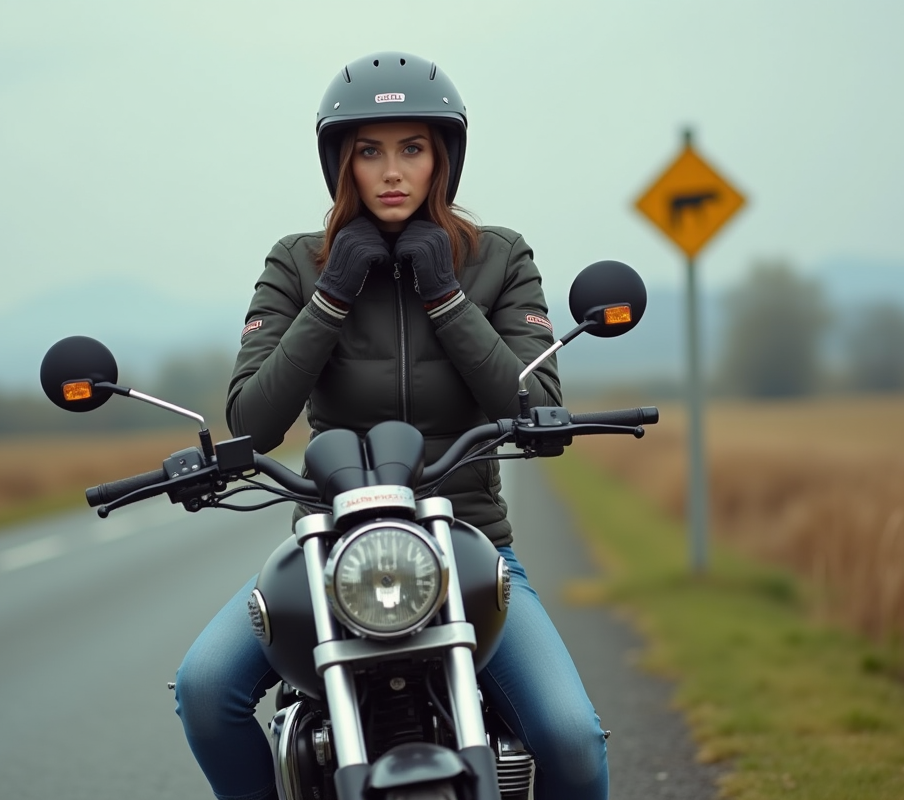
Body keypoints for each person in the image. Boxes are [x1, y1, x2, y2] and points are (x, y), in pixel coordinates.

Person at [174, 51, 609, 800]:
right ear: (341, 164)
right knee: (206, 688)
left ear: (444, 157)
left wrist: (444, 293)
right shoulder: (296, 264)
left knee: (570, 737)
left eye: (412, 147)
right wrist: (333, 292)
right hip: (327, 559)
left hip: (468, 548)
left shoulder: (500, 258)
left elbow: (533, 405)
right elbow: (254, 418)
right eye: (369, 151)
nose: (392, 170)